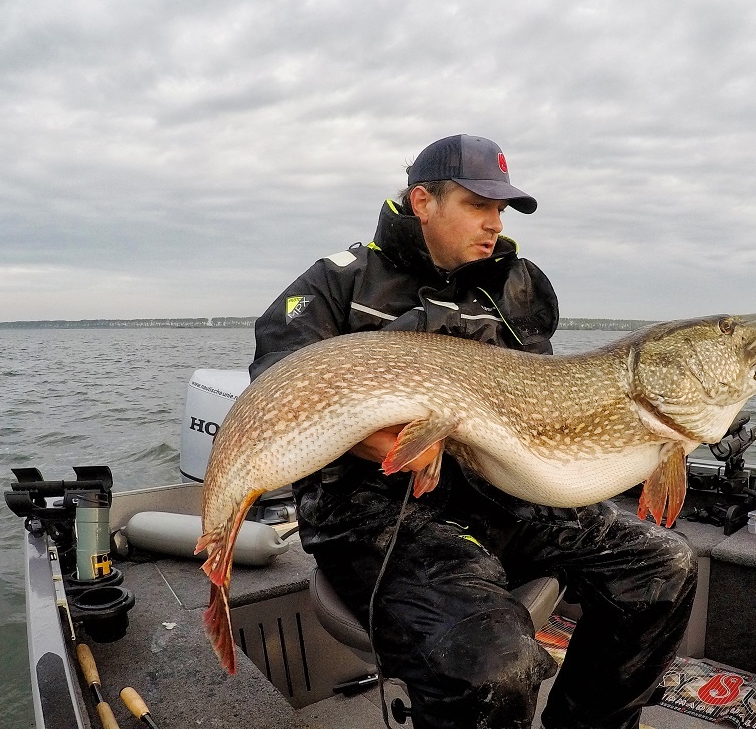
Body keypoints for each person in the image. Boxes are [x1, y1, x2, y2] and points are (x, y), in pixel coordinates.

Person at [250, 134, 697, 729]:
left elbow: (541, 397)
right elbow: (281, 385)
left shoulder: (514, 288)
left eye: (501, 210)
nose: (493, 223)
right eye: (477, 204)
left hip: (490, 493)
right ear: (423, 202)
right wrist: (367, 437)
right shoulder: (338, 282)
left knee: (664, 565)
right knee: (494, 664)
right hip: (373, 512)